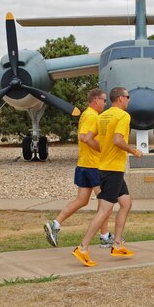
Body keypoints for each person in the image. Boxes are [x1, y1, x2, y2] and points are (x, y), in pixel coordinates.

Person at [72, 87, 142, 266]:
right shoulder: (123, 116)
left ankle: (117, 244)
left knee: (126, 203)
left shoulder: (102, 116)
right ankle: (82, 248)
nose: (129, 100)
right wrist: (133, 150)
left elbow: (87, 138)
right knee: (105, 210)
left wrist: (104, 150)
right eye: (127, 97)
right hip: (112, 170)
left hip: (104, 167)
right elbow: (118, 140)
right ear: (119, 98)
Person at [43, 88, 112, 248]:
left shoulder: (88, 115)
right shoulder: (91, 116)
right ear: (96, 100)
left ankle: (55, 224)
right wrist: (103, 149)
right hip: (93, 165)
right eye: (104, 100)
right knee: (105, 202)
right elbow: (84, 137)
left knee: (82, 200)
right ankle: (105, 236)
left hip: (84, 164)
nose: (105, 103)